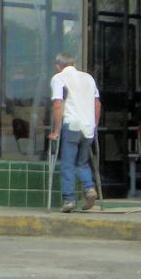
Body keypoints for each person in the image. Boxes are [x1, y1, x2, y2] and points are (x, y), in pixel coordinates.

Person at [48, 52, 101, 213]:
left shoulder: (59, 78)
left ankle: (69, 200)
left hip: (71, 125)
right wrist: (94, 125)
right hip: (88, 127)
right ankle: (89, 187)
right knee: (82, 162)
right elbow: (97, 103)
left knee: (68, 163)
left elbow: (58, 104)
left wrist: (56, 131)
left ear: (58, 66)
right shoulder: (88, 78)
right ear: (74, 64)